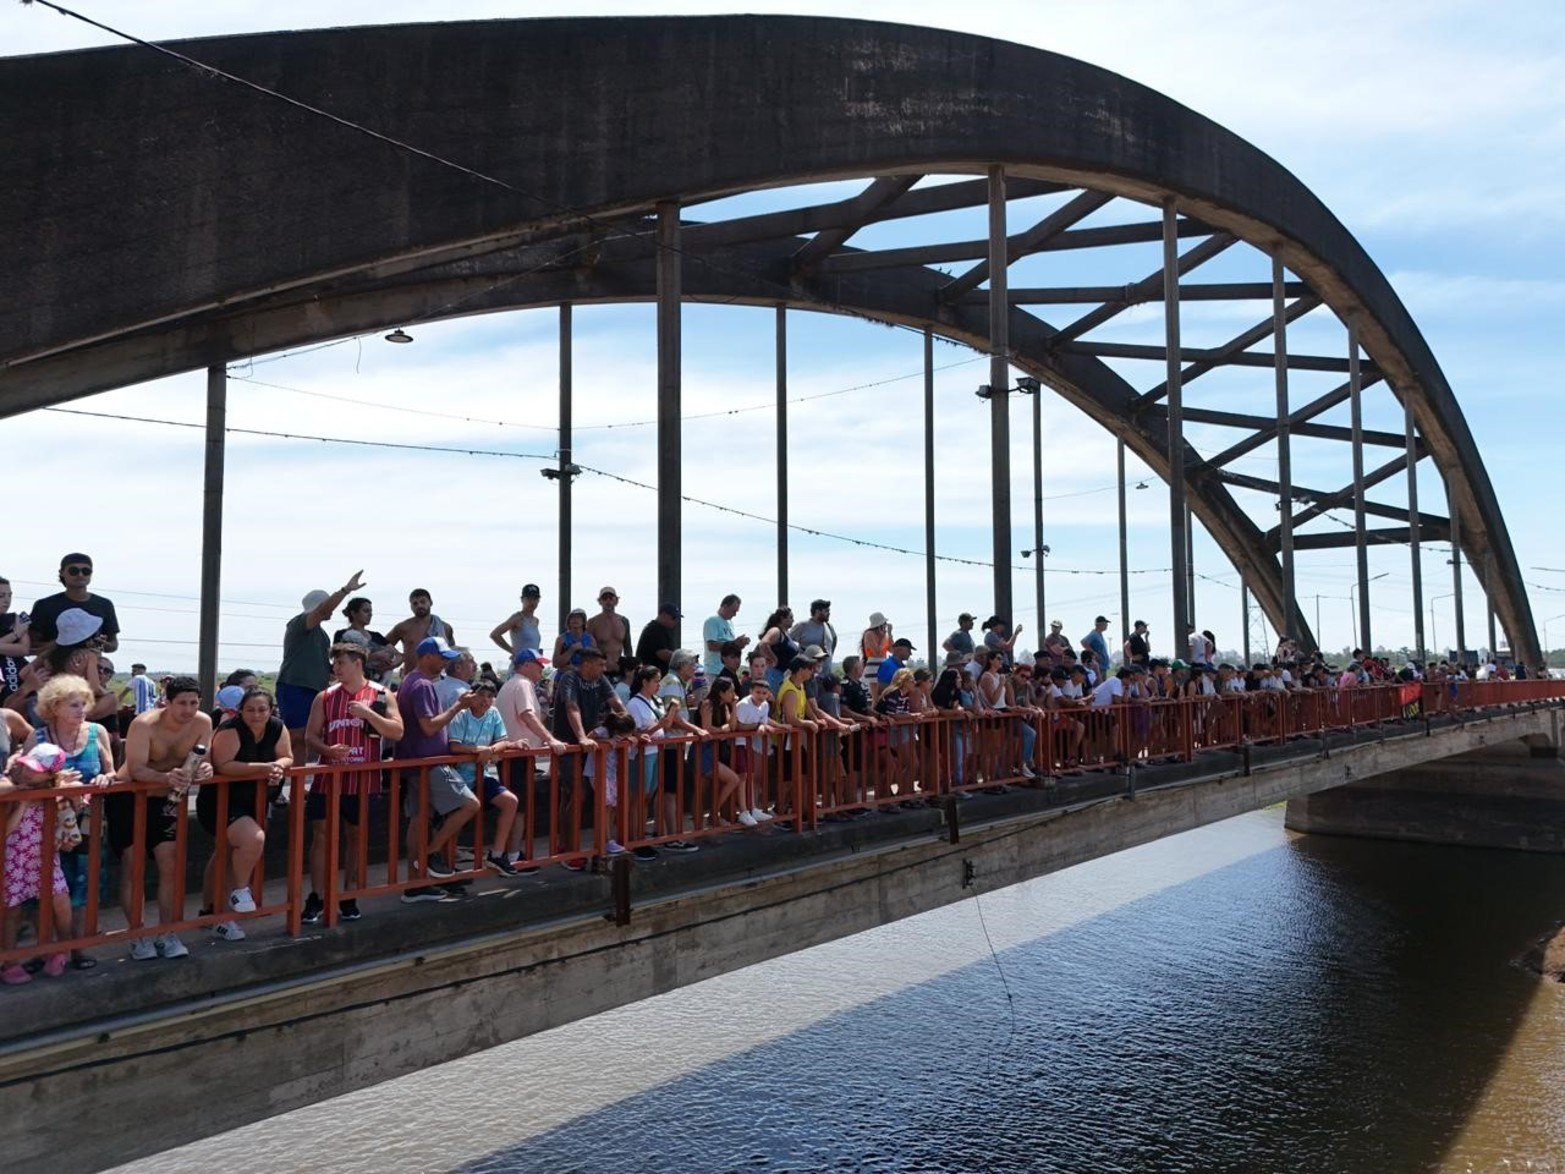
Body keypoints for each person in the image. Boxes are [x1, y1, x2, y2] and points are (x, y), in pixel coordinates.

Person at [112, 675, 214, 960]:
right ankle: (137, 933)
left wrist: (205, 770)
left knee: (170, 865)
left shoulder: (203, 722)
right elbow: (136, 769)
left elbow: (203, 759)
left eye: (194, 703)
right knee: (134, 866)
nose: (188, 710)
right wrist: (166, 777)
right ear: (166, 702)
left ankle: (167, 931)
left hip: (167, 801)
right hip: (129, 798)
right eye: (181, 703)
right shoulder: (144, 724)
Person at [301, 644, 404, 923]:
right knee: (320, 837)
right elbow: (310, 736)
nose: (336, 668)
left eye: (341, 662)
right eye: (334, 663)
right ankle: (318, 896)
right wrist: (327, 749)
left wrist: (370, 714)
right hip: (328, 777)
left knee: (356, 839)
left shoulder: (382, 694)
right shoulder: (324, 697)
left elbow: (398, 730)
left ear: (358, 663)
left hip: (364, 779)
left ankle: (348, 897)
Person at [25, 674, 114, 969]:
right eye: (73, 705)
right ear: (54, 707)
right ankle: (45, 950)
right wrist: (54, 782)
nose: (81, 710)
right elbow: (25, 778)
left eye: (83, 704)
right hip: (47, 822)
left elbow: (112, 771)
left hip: (88, 821)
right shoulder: (37, 737)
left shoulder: (97, 732)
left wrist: (105, 778)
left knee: (83, 883)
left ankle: (79, 948)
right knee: (44, 887)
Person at [203, 687, 292, 941]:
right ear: (240, 710)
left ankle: (216, 914)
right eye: (250, 709)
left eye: (262, 709)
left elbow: (287, 756)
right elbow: (224, 765)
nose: (256, 715)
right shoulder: (231, 729)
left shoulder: (276, 726)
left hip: (255, 801)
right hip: (223, 801)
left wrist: (277, 767)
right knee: (252, 840)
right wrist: (265, 767)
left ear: (271, 710)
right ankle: (240, 891)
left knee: (226, 854)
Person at [396, 637, 479, 902]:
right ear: (427, 656)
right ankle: (429, 858)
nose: (445, 662)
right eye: (441, 657)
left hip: (419, 763)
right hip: (426, 763)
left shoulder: (413, 680)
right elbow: (429, 727)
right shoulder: (421, 684)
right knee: (469, 804)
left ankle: (418, 880)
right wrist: (459, 706)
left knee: (420, 820)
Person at [1, 743, 77, 983]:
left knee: (60, 900)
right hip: (15, 858)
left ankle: (60, 949)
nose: (28, 773)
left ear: (49, 776)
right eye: (27, 767)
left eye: (36, 770)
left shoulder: (54, 795)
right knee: (12, 909)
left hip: (44, 857)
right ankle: (10, 960)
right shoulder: (16, 792)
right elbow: (7, 831)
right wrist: (23, 803)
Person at [548, 648, 627, 862]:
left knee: (597, 795)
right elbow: (571, 706)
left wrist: (630, 729)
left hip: (590, 746)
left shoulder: (600, 680)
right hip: (569, 746)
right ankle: (567, 848)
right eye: (600, 665)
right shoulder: (569, 678)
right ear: (588, 664)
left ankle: (596, 842)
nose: (604, 668)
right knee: (576, 794)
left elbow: (617, 704)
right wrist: (582, 737)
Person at [446, 677, 526, 876]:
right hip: (457, 778)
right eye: (481, 695)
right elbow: (454, 746)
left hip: (481, 776)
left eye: (490, 696)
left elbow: (503, 741)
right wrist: (479, 750)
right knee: (455, 819)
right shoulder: (461, 715)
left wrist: (489, 749)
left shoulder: (493, 713)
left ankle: (496, 855)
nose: (485, 700)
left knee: (511, 801)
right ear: (472, 696)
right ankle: (446, 865)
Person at [278, 572, 366, 742]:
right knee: (297, 736)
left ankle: (307, 768)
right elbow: (323, 610)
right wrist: (345, 590)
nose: (332, 609)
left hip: (315, 689)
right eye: (328, 604)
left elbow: (322, 664)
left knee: (312, 735)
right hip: (296, 686)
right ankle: (293, 768)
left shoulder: (322, 634)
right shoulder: (300, 623)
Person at [26, 552, 119, 656]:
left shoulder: (104, 604)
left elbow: (113, 645)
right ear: (62, 572)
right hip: (54, 667)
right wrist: (59, 644)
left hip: (90, 667)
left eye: (86, 571)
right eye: (73, 571)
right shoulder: (44, 605)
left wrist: (100, 644)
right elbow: (31, 644)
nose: (80, 575)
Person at [386, 588, 456, 676]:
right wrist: (399, 656)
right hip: (412, 679)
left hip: (439, 680)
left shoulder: (445, 628)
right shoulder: (403, 627)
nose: (419, 605)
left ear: (430, 603)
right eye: (415, 603)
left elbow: (453, 653)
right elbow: (382, 644)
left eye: (423, 602)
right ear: (411, 607)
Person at [332, 597, 397, 682]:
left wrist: (386, 667)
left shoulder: (377, 636)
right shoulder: (342, 635)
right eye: (366, 611)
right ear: (353, 613)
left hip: (376, 686)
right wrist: (376, 656)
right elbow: (341, 660)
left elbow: (399, 656)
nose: (370, 614)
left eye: (371, 611)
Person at [586, 586, 632, 678]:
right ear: (600, 601)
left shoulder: (624, 621)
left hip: (620, 672)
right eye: (604, 598)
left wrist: (630, 669)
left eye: (611, 598)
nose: (608, 601)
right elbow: (588, 648)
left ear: (616, 601)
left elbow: (628, 648)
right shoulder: (593, 622)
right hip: (599, 672)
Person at [488, 583, 544, 659]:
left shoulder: (536, 621)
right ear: (522, 600)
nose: (532, 602)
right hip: (519, 666)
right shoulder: (517, 618)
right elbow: (495, 634)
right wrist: (513, 651)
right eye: (529, 599)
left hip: (532, 665)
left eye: (535, 599)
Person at [703, 594, 750, 678]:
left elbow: (730, 646)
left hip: (728, 671)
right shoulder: (712, 621)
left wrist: (740, 644)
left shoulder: (730, 623)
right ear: (725, 606)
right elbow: (711, 646)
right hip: (714, 671)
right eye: (733, 611)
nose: (735, 614)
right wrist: (734, 643)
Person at [0, 576, 30, 705]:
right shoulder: (18, 627)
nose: (7, 600)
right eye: (1, 596)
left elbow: (24, 649)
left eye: (9, 595)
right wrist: (16, 634)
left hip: (19, 679)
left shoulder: (15, 618)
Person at [756, 607, 800, 692]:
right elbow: (763, 644)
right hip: (775, 675)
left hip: (785, 676)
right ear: (782, 618)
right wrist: (774, 659)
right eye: (790, 617)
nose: (793, 620)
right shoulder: (776, 630)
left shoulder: (786, 634)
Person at [788, 599, 835, 676]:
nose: (828, 613)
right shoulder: (803, 625)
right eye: (826, 611)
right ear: (817, 611)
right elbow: (788, 641)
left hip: (825, 673)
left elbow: (832, 643)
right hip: (807, 673)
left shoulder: (829, 627)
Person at [634, 602, 682, 674]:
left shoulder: (662, 629)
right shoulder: (654, 629)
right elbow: (663, 654)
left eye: (677, 618)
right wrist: (683, 658)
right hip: (650, 677)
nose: (676, 621)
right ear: (663, 615)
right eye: (674, 618)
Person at [862, 612, 894, 682]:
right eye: (884, 624)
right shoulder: (869, 634)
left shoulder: (884, 636)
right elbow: (877, 652)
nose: (885, 626)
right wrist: (882, 638)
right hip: (873, 666)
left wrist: (890, 634)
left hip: (883, 665)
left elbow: (892, 650)